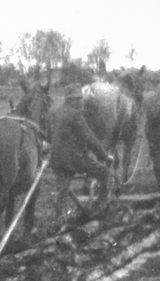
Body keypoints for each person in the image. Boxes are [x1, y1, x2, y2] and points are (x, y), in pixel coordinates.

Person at [47, 83, 115, 222]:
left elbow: (49, 135)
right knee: (105, 173)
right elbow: (89, 137)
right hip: (74, 159)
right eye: (78, 99)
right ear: (72, 100)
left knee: (63, 189)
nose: (80, 102)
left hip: (55, 159)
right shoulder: (75, 115)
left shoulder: (54, 112)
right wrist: (104, 156)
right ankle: (100, 207)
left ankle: (58, 220)